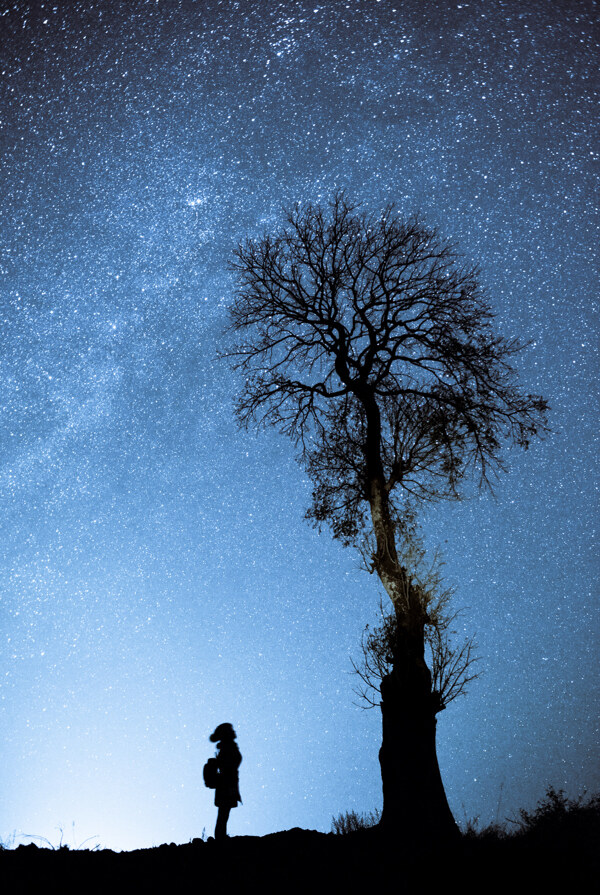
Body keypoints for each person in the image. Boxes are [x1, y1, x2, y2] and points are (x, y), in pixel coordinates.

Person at [209, 722, 242, 840]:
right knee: (223, 813)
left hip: (225, 783)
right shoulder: (229, 746)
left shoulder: (225, 747)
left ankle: (220, 836)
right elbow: (235, 761)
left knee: (223, 813)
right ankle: (220, 838)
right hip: (227, 784)